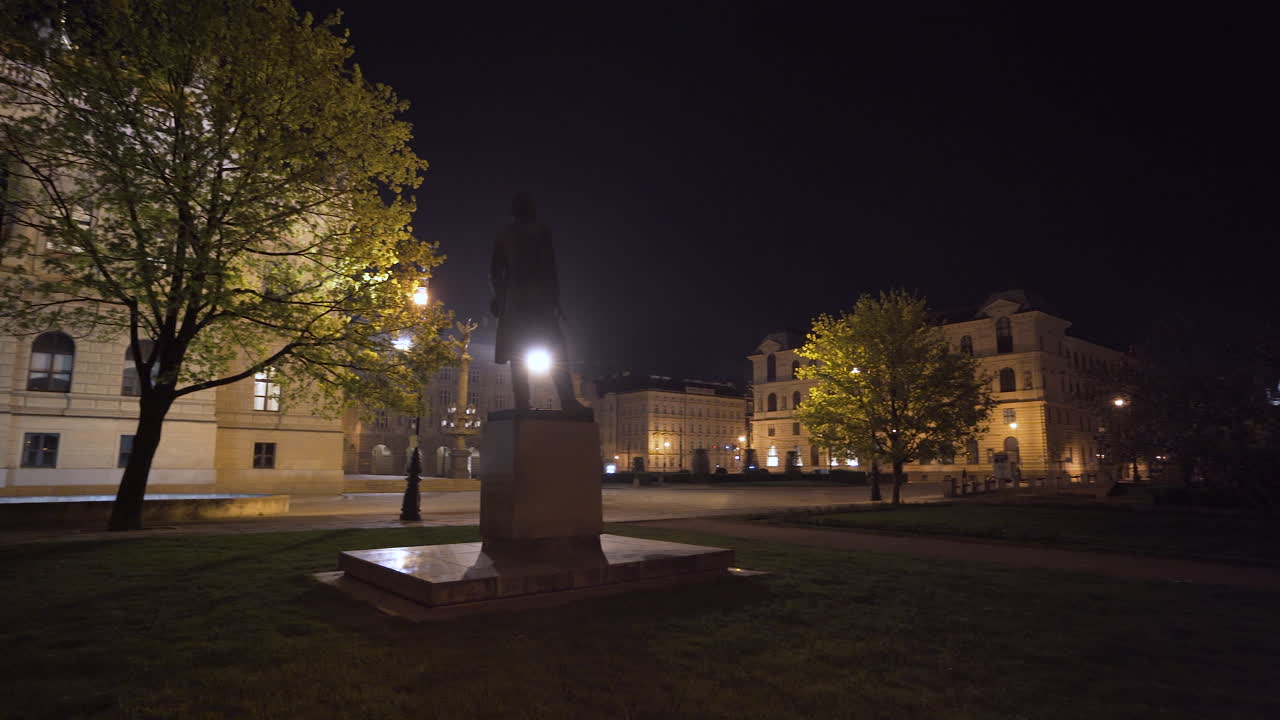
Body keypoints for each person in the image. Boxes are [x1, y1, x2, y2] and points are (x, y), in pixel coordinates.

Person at [489, 193, 584, 412]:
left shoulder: (513, 234)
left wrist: (499, 296)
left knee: (527, 352)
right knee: (549, 349)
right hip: (530, 301)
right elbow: (550, 268)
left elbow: (495, 272)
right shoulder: (532, 232)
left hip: (526, 301)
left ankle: (539, 401)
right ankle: (561, 400)